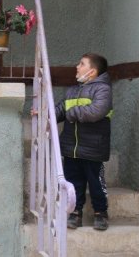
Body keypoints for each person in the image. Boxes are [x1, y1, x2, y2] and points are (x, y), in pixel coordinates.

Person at [50, 53, 113, 230]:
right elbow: (60, 110)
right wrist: (44, 114)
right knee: (73, 181)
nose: (77, 67)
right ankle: (75, 212)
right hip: (71, 148)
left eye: (82, 64)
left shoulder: (103, 89)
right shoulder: (72, 91)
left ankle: (101, 212)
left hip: (94, 148)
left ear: (92, 71)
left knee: (96, 183)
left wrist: (70, 113)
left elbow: (95, 111)